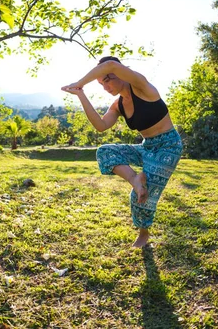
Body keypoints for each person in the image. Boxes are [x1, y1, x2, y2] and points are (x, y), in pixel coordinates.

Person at [61, 56, 183, 248]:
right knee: (105, 152)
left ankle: (144, 234)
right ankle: (135, 179)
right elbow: (101, 126)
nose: (105, 87)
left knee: (141, 196)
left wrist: (79, 81)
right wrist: (80, 93)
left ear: (120, 73)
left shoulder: (141, 86)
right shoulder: (118, 105)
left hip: (168, 146)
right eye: (101, 84)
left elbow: (110, 65)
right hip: (147, 146)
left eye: (107, 80)